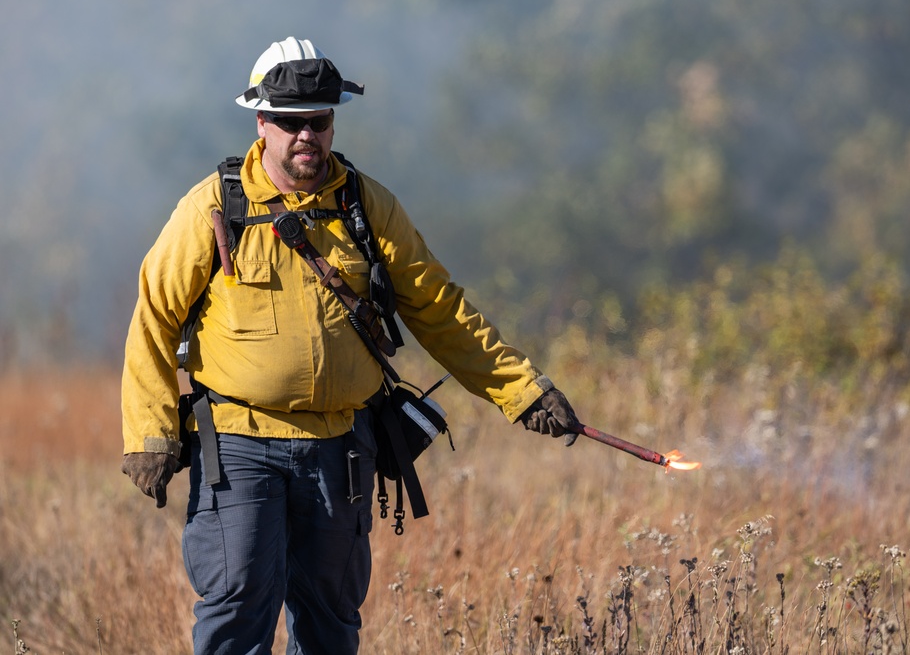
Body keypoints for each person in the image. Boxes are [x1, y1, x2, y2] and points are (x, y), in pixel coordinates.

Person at [120, 36, 579, 654]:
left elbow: (440, 311)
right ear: (261, 122)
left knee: (331, 622)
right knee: (235, 617)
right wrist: (152, 434)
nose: (305, 135)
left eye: (318, 120)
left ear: (333, 121)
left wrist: (523, 391)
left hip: (342, 449)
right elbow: (153, 317)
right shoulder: (212, 207)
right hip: (238, 448)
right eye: (289, 122)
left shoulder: (368, 207)